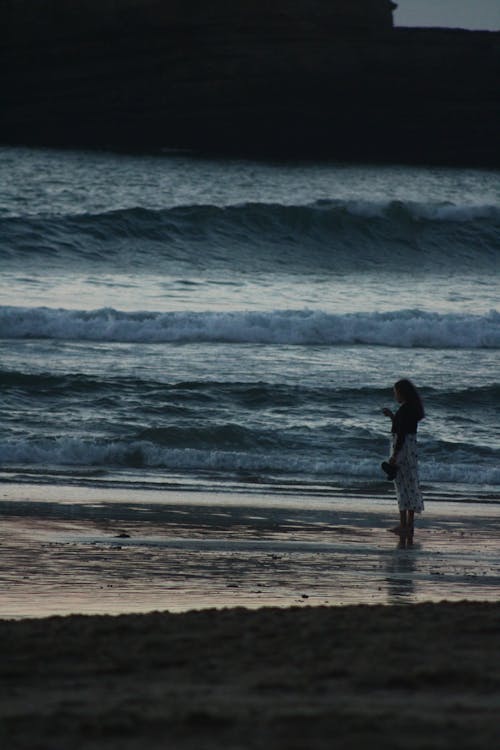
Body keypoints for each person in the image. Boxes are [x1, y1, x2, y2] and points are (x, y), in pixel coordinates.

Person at [382, 379, 425, 537]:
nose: (395, 396)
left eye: (396, 393)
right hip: (410, 450)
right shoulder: (411, 409)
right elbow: (403, 428)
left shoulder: (406, 410)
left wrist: (395, 455)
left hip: (403, 449)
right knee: (410, 485)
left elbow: (401, 434)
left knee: (401, 485)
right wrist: (392, 417)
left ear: (402, 393)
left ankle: (403, 525)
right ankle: (409, 525)